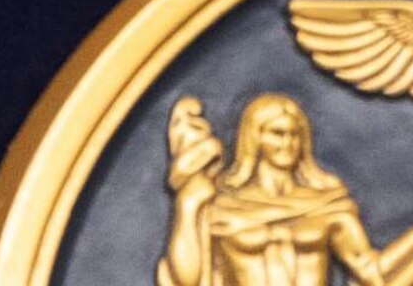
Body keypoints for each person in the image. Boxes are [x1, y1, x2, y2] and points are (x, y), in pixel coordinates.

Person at [158, 93, 383, 286]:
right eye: (277, 133)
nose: (287, 143)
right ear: (255, 137)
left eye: (294, 135)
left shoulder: (328, 206)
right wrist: (187, 204)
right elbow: (187, 280)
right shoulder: (223, 207)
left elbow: (369, 271)